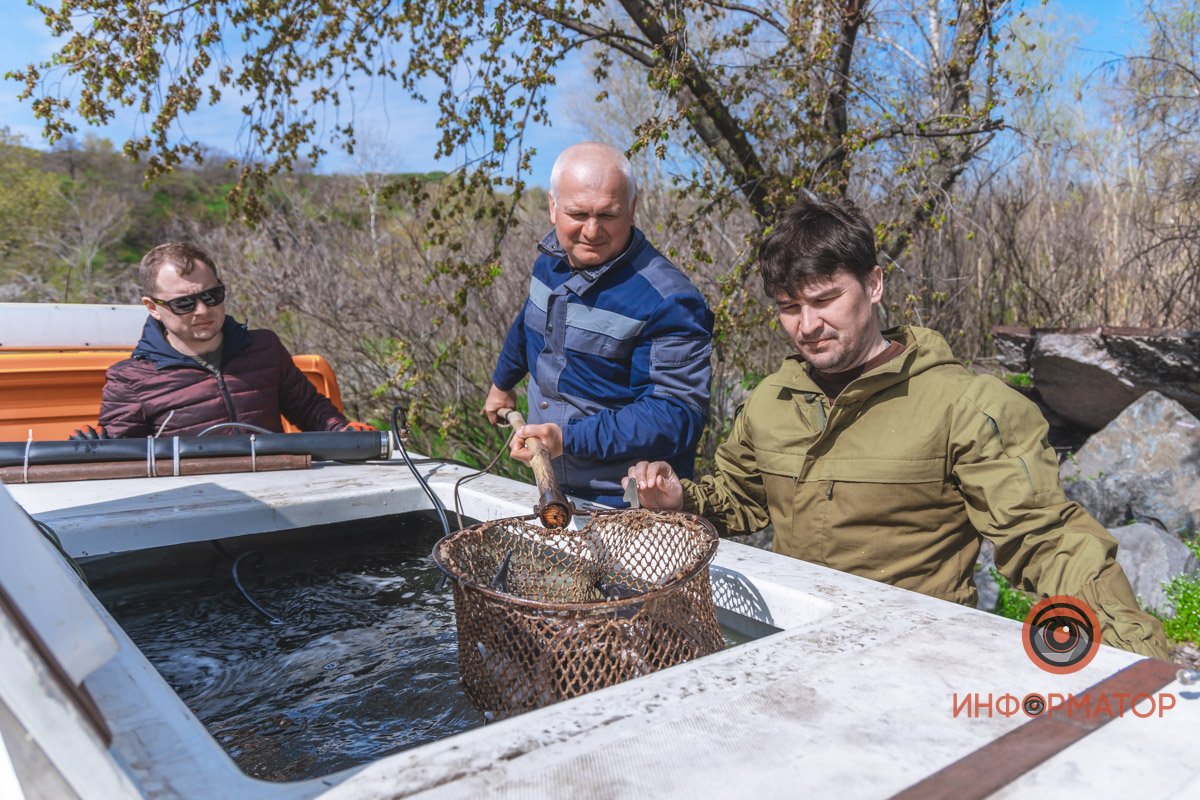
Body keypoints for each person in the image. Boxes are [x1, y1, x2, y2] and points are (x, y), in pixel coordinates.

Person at [626, 194, 1169, 659]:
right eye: (790, 307)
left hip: (915, 656)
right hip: (787, 648)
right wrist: (683, 500)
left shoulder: (965, 404)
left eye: (826, 299)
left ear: (875, 284)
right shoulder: (771, 401)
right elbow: (740, 498)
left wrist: (1136, 657)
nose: (808, 325)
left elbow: (1047, 539)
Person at [484, 142, 713, 506]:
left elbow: (675, 414)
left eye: (608, 215)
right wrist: (502, 383)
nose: (592, 231)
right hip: (555, 489)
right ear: (552, 207)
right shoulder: (551, 263)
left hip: (628, 503)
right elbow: (530, 322)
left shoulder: (669, 299)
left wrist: (568, 439)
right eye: (578, 214)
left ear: (632, 209)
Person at [87, 242, 371, 438]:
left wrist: (347, 433)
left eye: (212, 296)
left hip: (280, 499)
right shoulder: (131, 380)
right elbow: (122, 461)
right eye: (184, 304)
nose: (202, 310)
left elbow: (310, 410)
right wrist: (93, 450)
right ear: (152, 307)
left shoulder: (265, 349)